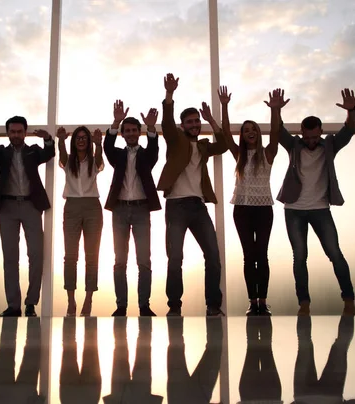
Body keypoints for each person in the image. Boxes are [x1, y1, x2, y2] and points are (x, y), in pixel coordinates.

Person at [277, 89, 355, 316]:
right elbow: (278, 131)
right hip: (294, 210)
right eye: (308, 137)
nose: (311, 141)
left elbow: (349, 130)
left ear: (321, 132)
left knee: (334, 253)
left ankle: (349, 298)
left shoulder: (329, 145)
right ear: (301, 132)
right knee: (300, 256)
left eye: (315, 137)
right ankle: (304, 303)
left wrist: (351, 110)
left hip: (321, 209)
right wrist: (276, 110)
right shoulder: (294, 145)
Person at [157, 73, 228, 317]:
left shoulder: (203, 146)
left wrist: (212, 120)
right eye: (190, 122)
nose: (195, 125)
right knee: (175, 258)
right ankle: (174, 308)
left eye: (197, 122)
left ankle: (213, 307)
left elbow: (225, 145)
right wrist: (169, 95)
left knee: (214, 256)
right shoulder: (176, 139)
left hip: (198, 207)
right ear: (182, 125)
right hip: (176, 206)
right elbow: (166, 124)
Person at [0, 117, 55, 317]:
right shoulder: (2, 153)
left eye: (20, 132)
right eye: (13, 132)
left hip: (31, 205)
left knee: (36, 255)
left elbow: (49, 153)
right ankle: (13, 306)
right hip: (8, 207)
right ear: (8, 133)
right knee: (10, 257)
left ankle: (30, 304)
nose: (16, 135)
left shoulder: (33, 152)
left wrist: (47, 140)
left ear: (25, 133)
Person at [218, 86, 286, 316]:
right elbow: (225, 132)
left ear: (258, 133)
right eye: (246, 130)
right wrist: (225, 106)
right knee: (249, 255)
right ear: (243, 134)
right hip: (242, 210)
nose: (250, 132)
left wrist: (275, 110)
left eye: (253, 129)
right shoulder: (238, 155)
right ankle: (252, 301)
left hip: (264, 210)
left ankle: (263, 302)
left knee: (261, 254)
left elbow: (276, 132)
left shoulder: (268, 153)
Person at [103, 100, 161, 317]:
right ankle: (121, 306)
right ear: (122, 134)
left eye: (134, 130)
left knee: (144, 260)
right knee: (120, 261)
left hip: (141, 210)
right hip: (119, 210)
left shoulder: (147, 155)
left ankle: (144, 306)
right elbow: (107, 147)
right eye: (126, 131)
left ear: (139, 132)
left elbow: (155, 151)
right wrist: (116, 121)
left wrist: (152, 128)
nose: (130, 133)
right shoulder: (117, 155)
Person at [56, 126, 105, 317]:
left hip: (93, 207)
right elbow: (61, 156)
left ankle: (88, 300)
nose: (81, 140)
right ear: (74, 140)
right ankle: (71, 301)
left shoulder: (94, 161)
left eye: (85, 137)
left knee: (92, 256)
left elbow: (100, 160)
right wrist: (60, 140)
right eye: (78, 137)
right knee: (70, 255)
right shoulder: (69, 161)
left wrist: (98, 144)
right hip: (72, 207)